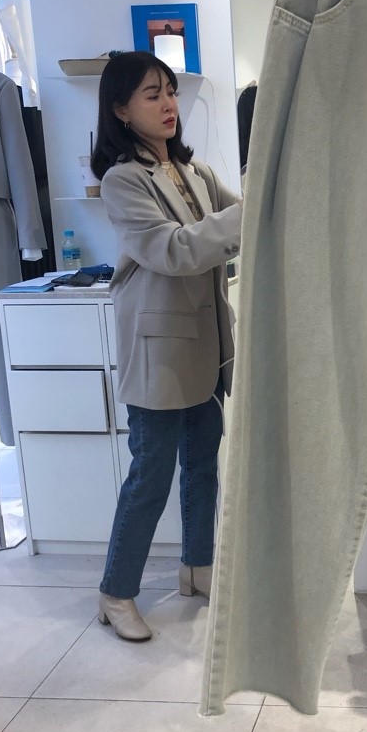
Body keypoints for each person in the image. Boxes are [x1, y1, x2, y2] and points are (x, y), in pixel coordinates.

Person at [91, 51, 242, 642]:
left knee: (203, 462)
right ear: (121, 110)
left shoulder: (194, 172)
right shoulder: (122, 180)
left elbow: (240, 218)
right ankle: (115, 592)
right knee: (150, 473)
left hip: (205, 343)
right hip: (158, 348)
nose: (168, 104)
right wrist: (250, 212)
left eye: (171, 91)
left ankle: (197, 568)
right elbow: (173, 249)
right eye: (152, 94)